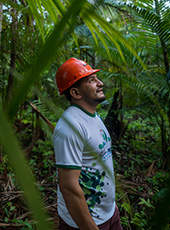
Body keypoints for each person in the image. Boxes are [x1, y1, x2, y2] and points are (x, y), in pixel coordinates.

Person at [53, 58, 122, 230]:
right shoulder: (70, 127)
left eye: (96, 78)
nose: (100, 83)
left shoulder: (93, 116)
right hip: (86, 223)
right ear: (76, 93)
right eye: (91, 80)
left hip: (109, 214)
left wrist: (111, 207)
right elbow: (69, 186)